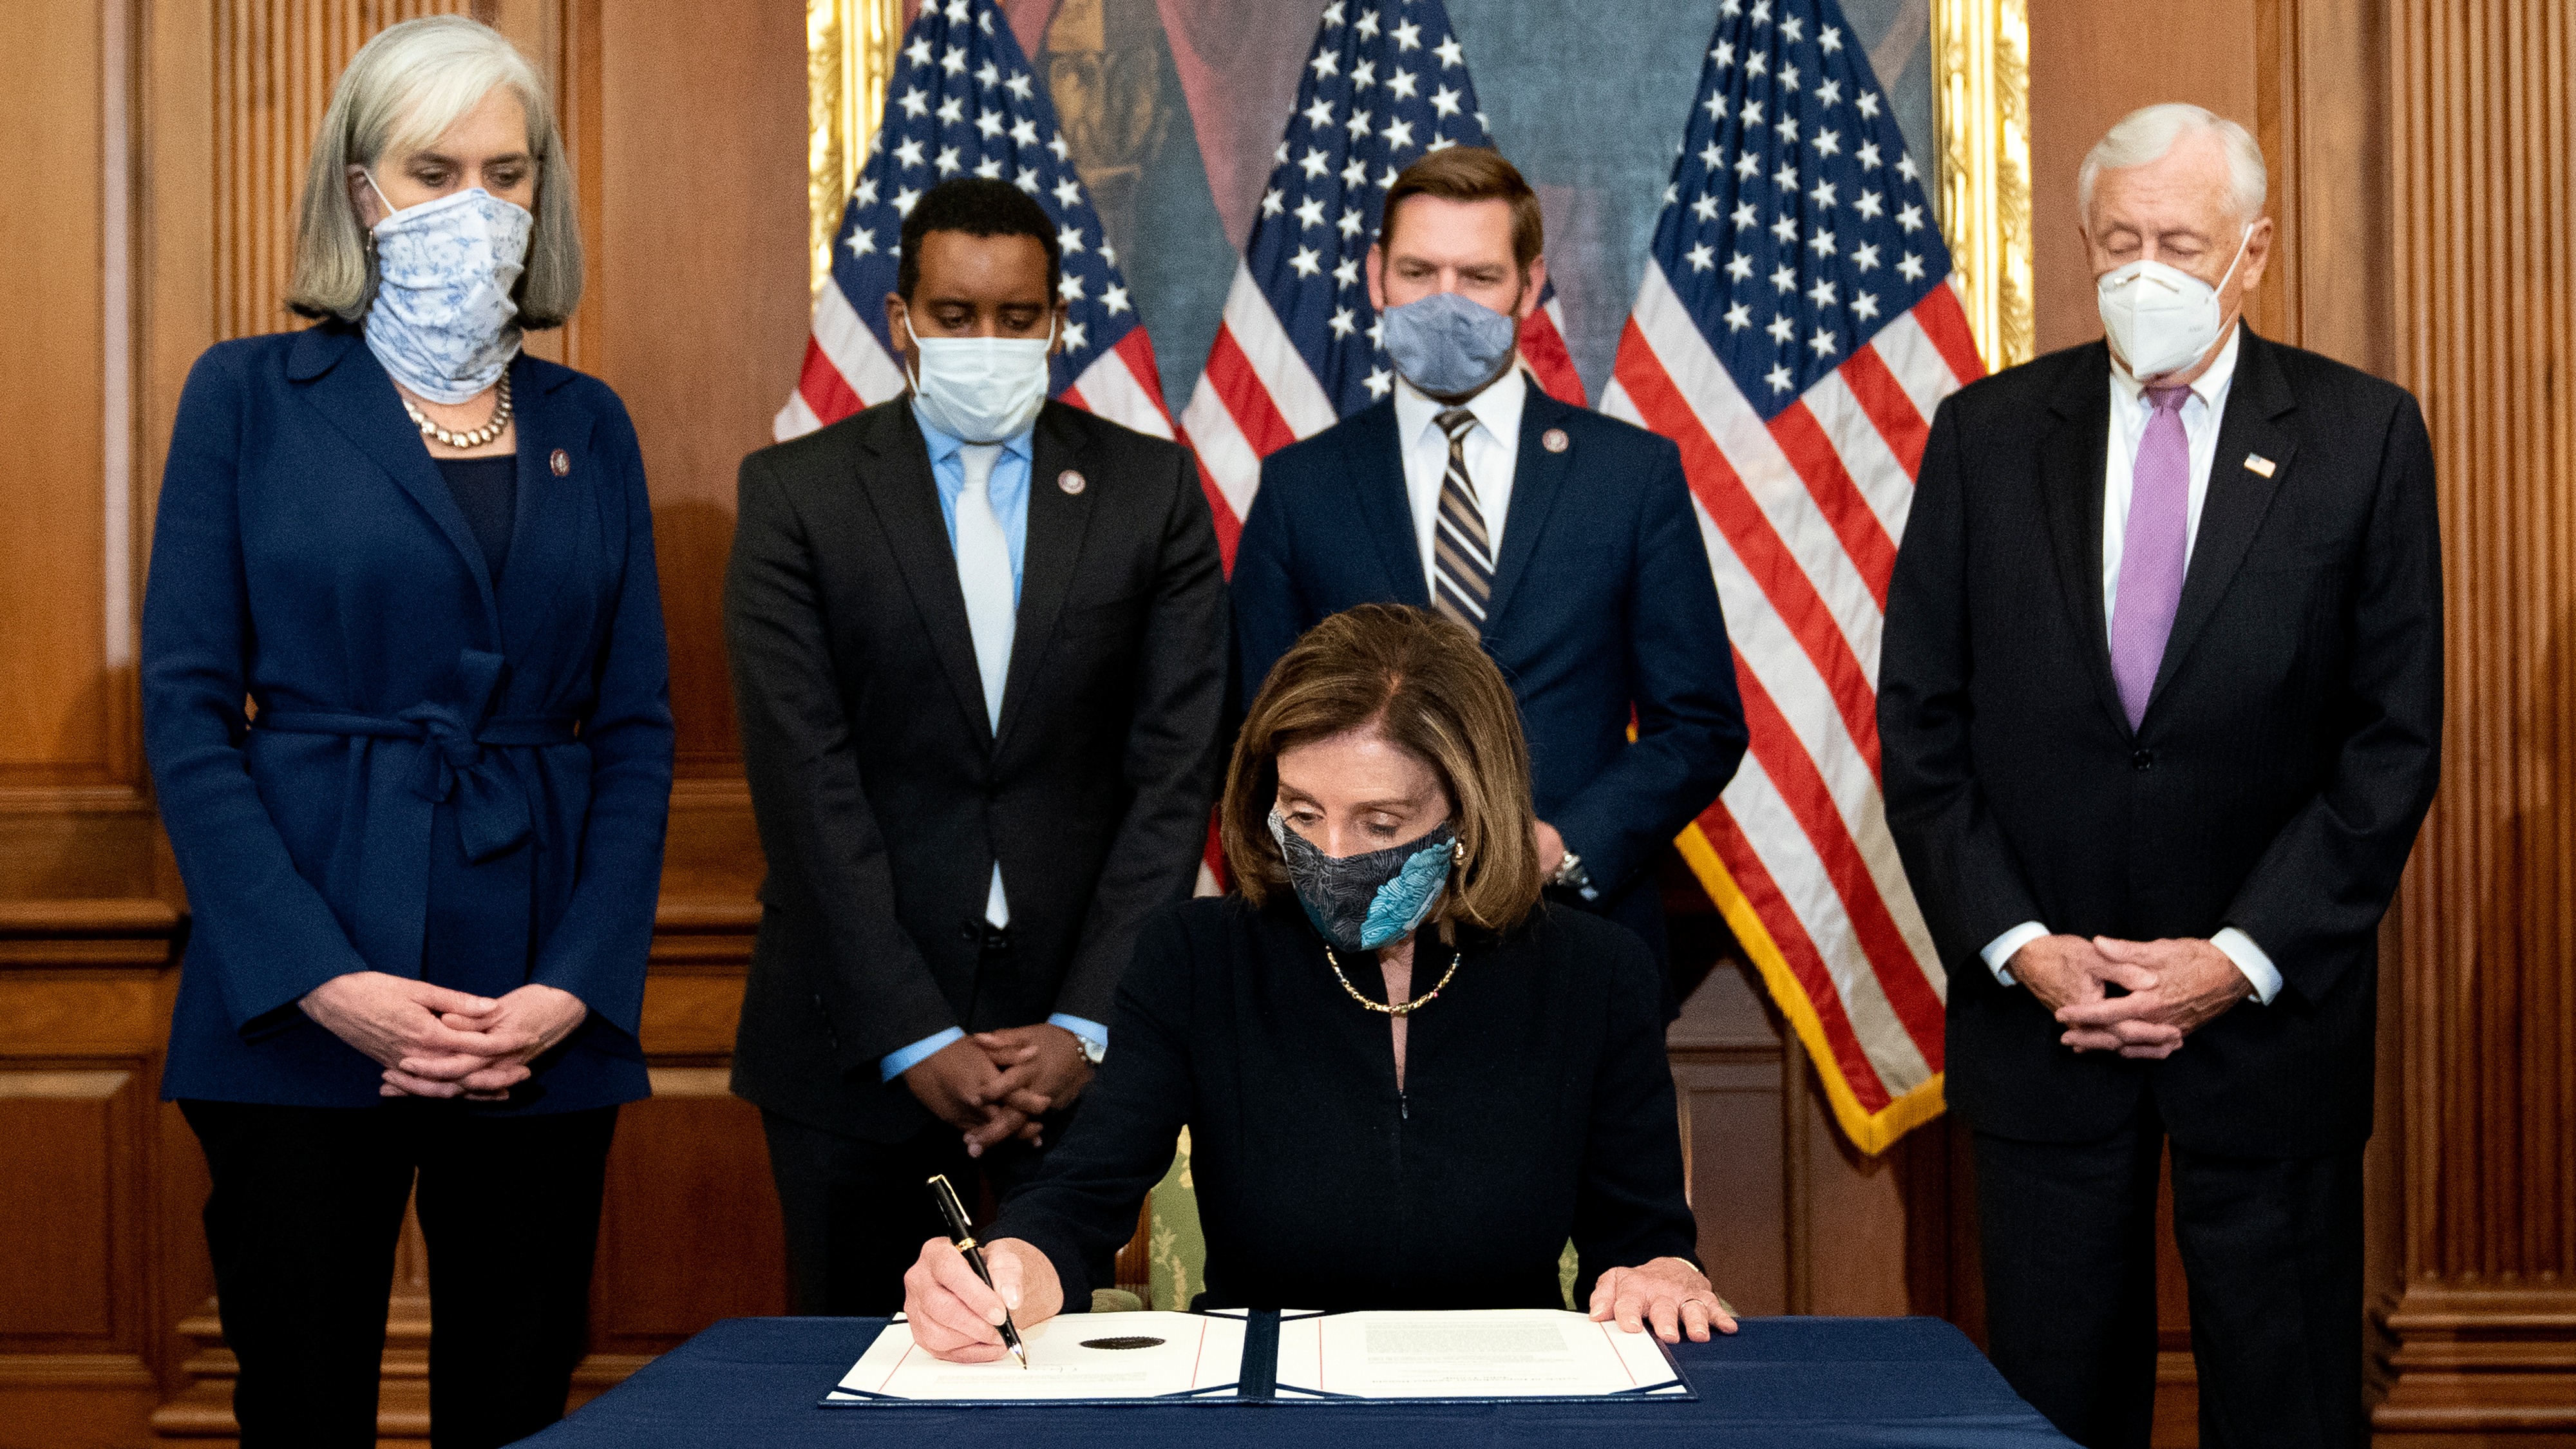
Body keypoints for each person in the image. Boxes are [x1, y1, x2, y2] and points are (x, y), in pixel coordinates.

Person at [140, 17, 672, 1448]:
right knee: (300, 1405)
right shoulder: (245, 396)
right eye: (433, 171)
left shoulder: (589, 422)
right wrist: (323, 980)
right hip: (299, 990)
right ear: (358, 189)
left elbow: (636, 734)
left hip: (535, 1005)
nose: (473, 205)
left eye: (507, 172)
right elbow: (186, 715)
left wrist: (571, 989)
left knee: (517, 1406)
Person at [1879, 104, 2441, 1449]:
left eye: (2179, 244)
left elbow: (2389, 743)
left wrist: (2237, 958)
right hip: (2046, 1025)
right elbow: (1922, 727)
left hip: (2268, 1030)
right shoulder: (1984, 434)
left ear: (2253, 251)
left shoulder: (2361, 435)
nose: (2144, 270)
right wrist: (2021, 946)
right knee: (2052, 1408)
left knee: (2285, 1407)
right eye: (2117, 240)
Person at [899, 603, 1734, 1358]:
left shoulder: (1596, 972)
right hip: (1260, 1401)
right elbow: (1082, 1195)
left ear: (1468, 812)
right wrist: (1012, 1266)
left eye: (1380, 821)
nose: (1332, 854)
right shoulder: (1197, 957)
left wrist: (1663, 1274)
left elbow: (1643, 1238)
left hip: (1504, 1399)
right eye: (1302, 813)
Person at [725, 177, 1229, 1316]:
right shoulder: (796, 494)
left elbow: (1174, 775)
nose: (986, 342)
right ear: (901, 318)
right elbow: (806, 785)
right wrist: (914, 1034)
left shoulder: (1151, 489)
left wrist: (1086, 1025)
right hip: (852, 1049)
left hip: (1081, 1055)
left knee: (1068, 1377)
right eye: (955, 316)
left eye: (1017, 317)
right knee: (856, 1375)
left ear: (1058, 321)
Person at [1229, 148, 1746, 1003]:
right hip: (1358, 955)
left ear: (1529, 285)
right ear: (1376, 277)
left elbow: (1699, 723)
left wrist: (1560, 845)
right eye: (1419, 272)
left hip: (1577, 948)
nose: (1446, 302)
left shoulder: (1629, 477)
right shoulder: (1300, 488)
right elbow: (1257, 728)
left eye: (1477, 277)